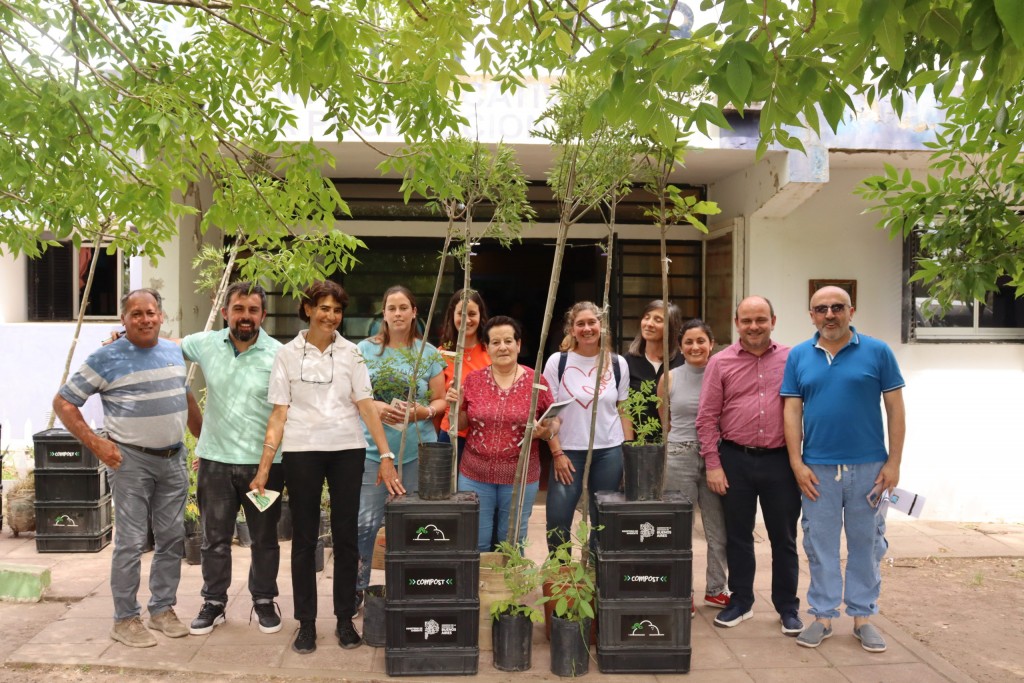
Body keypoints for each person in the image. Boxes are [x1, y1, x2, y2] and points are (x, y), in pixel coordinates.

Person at [251, 280, 394, 655]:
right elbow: (279, 413)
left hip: (347, 450)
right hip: (301, 452)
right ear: (308, 309)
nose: (331, 316)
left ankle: (345, 619)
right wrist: (265, 467)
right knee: (304, 538)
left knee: (346, 538)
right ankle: (307, 624)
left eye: (337, 310)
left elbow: (366, 405)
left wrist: (387, 456)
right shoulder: (286, 355)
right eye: (325, 308)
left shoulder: (352, 354)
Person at [52, 288, 199, 648]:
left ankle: (162, 610)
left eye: (151, 313)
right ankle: (125, 619)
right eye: (136, 314)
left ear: (161, 316)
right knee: (131, 542)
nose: (145, 319)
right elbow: (64, 402)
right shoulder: (106, 357)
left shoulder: (173, 351)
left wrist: (203, 440)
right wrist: (97, 443)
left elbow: (186, 398)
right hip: (130, 461)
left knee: (170, 539)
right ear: (124, 319)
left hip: (173, 459)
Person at [782, 286, 906, 652]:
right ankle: (821, 616)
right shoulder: (799, 356)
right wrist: (796, 462)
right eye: (821, 309)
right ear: (811, 315)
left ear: (852, 310)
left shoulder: (878, 351)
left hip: (870, 468)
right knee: (819, 544)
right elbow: (792, 410)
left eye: (837, 307)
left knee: (866, 545)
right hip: (817, 468)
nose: (829, 314)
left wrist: (894, 462)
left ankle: (863, 617)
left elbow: (895, 409)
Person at [180, 282, 286, 637]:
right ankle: (213, 602)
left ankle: (264, 601)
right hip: (215, 463)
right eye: (238, 309)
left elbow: (285, 412)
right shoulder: (206, 344)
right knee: (213, 539)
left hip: (264, 466)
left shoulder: (279, 354)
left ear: (263, 316)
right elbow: (165, 351)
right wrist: (125, 339)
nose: (245, 316)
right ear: (225, 312)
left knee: (264, 539)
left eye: (252, 310)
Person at [695, 296, 803, 636]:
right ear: (736, 321)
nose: (754, 326)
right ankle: (741, 601)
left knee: (783, 537)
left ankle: (787, 607)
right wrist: (713, 464)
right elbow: (707, 417)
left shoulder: (793, 358)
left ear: (773, 319)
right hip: (735, 460)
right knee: (738, 536)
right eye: (747, 320)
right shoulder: (720, 362)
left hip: (781, 462)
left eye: (760, 319)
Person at [355, 286, 447, 602]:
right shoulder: (364, 351)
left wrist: (423, 411)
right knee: (365, 526)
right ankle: (357, 588)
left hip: (417, 453)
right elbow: (351, 396)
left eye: (403, 307)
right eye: (391, 307)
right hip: (372, 454)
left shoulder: (428, 353)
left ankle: (412, 588)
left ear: (413, 312)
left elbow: (440, 399)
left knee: (416, 525)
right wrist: (375, 408)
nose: (397, 313)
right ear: (384, 313)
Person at [447, 316, 561, 550]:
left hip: (520, 477)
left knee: (512, 539)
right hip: (475, 475)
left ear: (519, 345)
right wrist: (454, 408)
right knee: (476, 538)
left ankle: (510, 586)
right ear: (487, 348)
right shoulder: (473, 380)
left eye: (508, 341)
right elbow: (460, 425)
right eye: (495, 342)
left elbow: (554, 419)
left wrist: (546, 430)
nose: (502, 347)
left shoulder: (536, 381)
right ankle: (480, 585)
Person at [543, 301, 631, 551]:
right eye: (580, 323)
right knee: (558, 518)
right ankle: (561, 575)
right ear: (571, 329)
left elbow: (623, 411)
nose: (587, 328)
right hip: (568, 451)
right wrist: (557, 453)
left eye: (592, 322)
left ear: (601, 326)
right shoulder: (557, 363)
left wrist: (628, 453)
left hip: (609, 451)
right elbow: (552, 415)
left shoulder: (616, 363)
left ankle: (595, 571)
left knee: (602, 518)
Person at [657, 318, 729, 618]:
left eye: (701, 341)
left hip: (717, 457)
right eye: (689, 342)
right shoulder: (670, 377)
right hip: (680, 454)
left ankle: (716, 589)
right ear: (680, 347)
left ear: (711, 344)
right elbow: (665, 420)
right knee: (680, 528)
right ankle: (681, 592)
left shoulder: (724, 374)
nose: (695, 346)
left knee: (718, 528)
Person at [437, 288, 492, 456]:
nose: (467, 319)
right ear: (452, 316)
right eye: (461, 313)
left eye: (472, 314)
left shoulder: (491, 351)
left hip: (485, 435)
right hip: (450, 434)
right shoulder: (442, 354)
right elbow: (436, 399)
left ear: (481, 316)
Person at [625, 299, 683, 427]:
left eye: (658, 320)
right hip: (638, 442)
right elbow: (623, 408)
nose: (649, 324)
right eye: (646, 318)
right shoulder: (627, 362)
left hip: (675, 441)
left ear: (671, 327)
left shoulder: (682, 363)